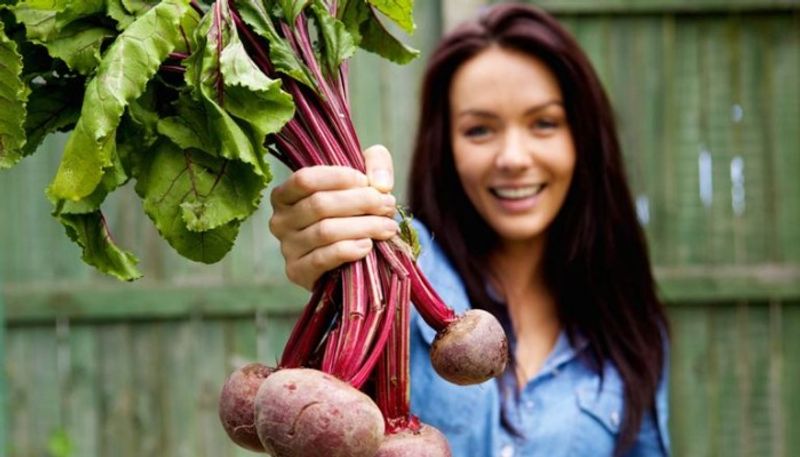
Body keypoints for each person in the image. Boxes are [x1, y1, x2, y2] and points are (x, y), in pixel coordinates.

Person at [268, 3, 670, 456]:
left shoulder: (630, 322)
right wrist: (332, 246)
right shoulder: (392, 260)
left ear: (583, 138)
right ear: (446, 147)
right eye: (480, 130)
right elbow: (346, 258)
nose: (514, 158)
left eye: (544, 123)